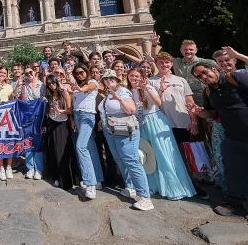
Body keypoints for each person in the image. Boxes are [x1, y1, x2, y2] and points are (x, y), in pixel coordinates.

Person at [190, 63, 248, 216]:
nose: (203, 77)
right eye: (199, 76)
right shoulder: (208, 92)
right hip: (235, 140)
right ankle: (235, 204)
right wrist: (200, 112)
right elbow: (213, 115)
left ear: (214, 69)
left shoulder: (235, 78)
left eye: (204, 72)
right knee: (233, 172)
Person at [126, 68, 195, 200]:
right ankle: (155, 186)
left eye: (137, 76)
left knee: (163, 153)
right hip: (142, 124)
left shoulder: (148, 87)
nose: (134, 78)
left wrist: (146, 89)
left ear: (142, 77)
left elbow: (158, 102)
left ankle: (173, 187)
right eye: (131, 76)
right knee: (149, 156)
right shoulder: (128, 91)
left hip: (155, 121)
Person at [148, 52, 208, 199]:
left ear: (171, 64)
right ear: (156, 63)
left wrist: (194, 121)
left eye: (167, 62)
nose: (164, 65)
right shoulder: (150, 82)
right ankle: (175, 185)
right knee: (170, 157)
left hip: (183, 122)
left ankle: (192, 184)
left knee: (187, 156)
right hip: (162, 125)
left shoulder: (180, 80)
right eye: (161, 62)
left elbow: (190, 102)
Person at [211, 47, 248, 201]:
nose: (224, 63)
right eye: (220, 61)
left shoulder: (243, 74)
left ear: (234, 61)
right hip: (231, 130)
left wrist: (238, 54)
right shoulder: (217, 80)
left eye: (227, 60)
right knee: (234, 165)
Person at [98, 70, 153, 210]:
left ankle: (145, 197)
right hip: (111, 130)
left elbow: (130, 109)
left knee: (131, 161)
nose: (109, 81)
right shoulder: (106, 94)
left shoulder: (123, 92)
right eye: (106, 79)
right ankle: (130, 187)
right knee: (119, 159)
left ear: (117, 80)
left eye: (112, 79)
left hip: (124, 130)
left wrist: (119, 99)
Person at [151, 34, 214, 108]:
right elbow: (157, 58)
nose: (188, 51)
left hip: (205, 102)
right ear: (181, 50)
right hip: (185, 103)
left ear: (196, 50)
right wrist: (154, 45)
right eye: (185, 49)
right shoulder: (176, 62)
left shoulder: (207, 63)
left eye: (191, 49)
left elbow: (222, 71)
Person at [69, 64, 103, 199]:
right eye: (76, 73)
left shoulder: (91, 82)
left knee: (81, 147)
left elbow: (87, 88)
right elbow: (74, 104)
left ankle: (90, 183)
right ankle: (98, 178)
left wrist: (80, 88)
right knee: (90, 147)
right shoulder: (76, 87)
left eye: (82, 72)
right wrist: (72, 118)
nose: (79, 75)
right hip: (77, 116)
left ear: (87, 71)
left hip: (87, 116)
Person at [45, 75, 77, 190]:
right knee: (53, 151)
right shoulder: (48, 94)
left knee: (62, 151)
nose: (51, 85)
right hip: (51, 123)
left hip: (62, 124)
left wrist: (60, 110)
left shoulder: (63, 92)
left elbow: (70, 109)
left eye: (52, 82)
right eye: (48, 84)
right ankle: (57, 176)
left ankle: (66, 180)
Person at [22, 67, 46, 180]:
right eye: (26, 73)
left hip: (38, 117)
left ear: (35, 72)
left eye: (30, 72)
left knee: (38, 142)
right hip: (27, 117)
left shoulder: (42, 85)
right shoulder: (24, 85)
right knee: (27, 142)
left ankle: (39, 169)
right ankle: (30, 167)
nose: (28, 75)